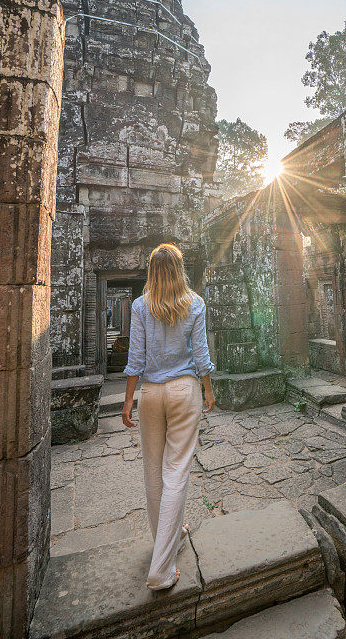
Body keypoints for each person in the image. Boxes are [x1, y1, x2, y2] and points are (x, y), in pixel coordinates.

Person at [121, 243, 216, 590]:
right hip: (184, 390)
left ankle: (169, 539)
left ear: (151, 271)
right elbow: (201, 354)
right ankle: (161, 568)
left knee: (153, 470)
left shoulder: (140, 306)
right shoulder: (195, 304)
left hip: (150, 393)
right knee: (176, 471)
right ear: (179, 270)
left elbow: (135, 358)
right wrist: (208, 388)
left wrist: (128, 399)